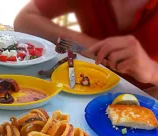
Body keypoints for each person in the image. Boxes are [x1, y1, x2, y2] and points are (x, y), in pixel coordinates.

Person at [14, 0, 158, 91]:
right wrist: (81, 41)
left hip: (146, 101)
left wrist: (153, 73)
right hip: (81, 88)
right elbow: (24, 19)